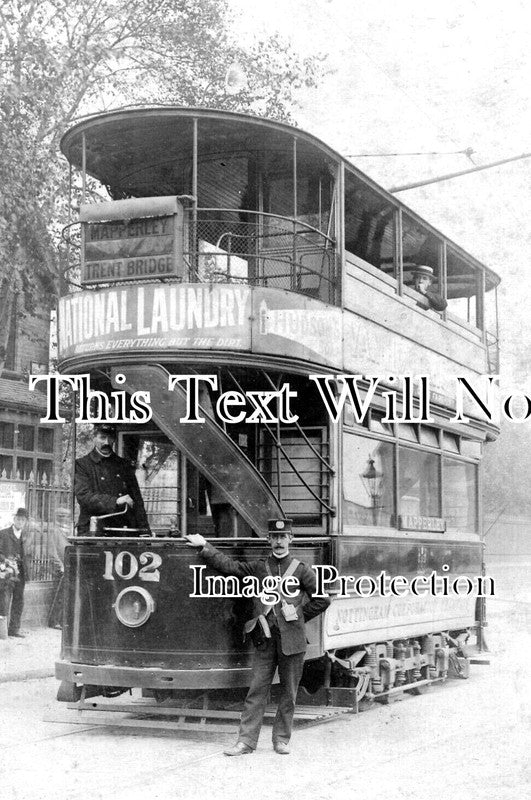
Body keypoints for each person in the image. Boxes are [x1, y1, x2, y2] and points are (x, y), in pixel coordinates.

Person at [186, 519, 330, 756]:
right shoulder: (260, 567)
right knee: (256, 691)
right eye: (274, 536)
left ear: (291, 540)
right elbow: (230, 566)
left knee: (288, 693)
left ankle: (281, 740)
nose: (279, 541)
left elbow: (323, 599)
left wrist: (299, 613)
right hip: (264, 639)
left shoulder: (302, 569)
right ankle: (246, 742)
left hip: (292, 642)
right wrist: (205, 546)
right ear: (269, 540)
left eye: (283, 537)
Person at [74, 423, 151, 536]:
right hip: (93, 530)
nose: (106, 442)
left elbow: (137, 500)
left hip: (122, 529)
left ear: (114, 439)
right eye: (102, 437)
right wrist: (115, 501)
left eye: (110, 438)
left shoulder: (124, 465)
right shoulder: (82, 465)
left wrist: (145, 532)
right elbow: (84, 496)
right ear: (94, 438)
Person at [0, 508, 30, 637]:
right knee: (4, 600)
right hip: (7, 573)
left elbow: (28, 554)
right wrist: (6, 561)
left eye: (23, 520)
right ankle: (2, 631)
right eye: (18, 519)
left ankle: (14, 630)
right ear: (14, 519)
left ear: (26, 522)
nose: (20, 522)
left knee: (18, 601)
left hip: (21, 574)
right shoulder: (3, 534)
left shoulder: (26, 536)